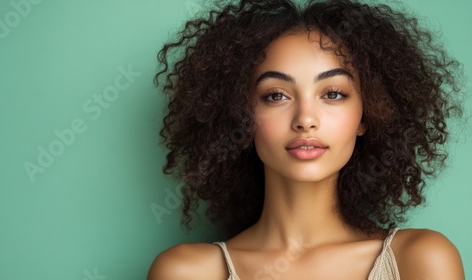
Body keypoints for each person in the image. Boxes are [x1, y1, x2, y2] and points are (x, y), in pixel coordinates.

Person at [148, 0, 465, 279]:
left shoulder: (419, 260)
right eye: (276, 95)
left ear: (367, 115)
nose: (305, 119)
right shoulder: (187, 273)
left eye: (333, 94)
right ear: (240, 116)